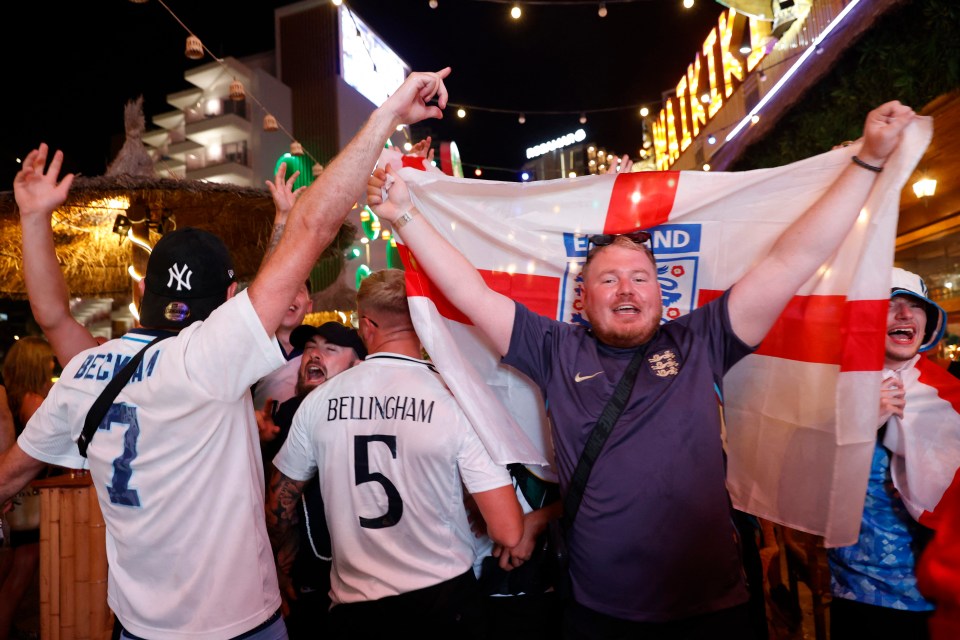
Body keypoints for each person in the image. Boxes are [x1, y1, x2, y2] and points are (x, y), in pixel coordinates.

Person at [365, 101, 916, 638]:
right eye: (608, 279)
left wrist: (868, 159)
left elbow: (792, 259)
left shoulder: (702, 338)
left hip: (714, 610)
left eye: (640, 277)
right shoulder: (554, 348)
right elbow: (466, 288)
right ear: (580, 301)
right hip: (597, 616)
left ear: (662, 294)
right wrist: (403, 216)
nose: (626, 288)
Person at [0, 67, 453, 639]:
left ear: (143, 291)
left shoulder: (87, 369)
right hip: (238, 626)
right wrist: (386, 113)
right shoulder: (211, 360)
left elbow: (53, 317)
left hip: (138, 629)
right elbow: (314, 229)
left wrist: (35, 216)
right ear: (232, 300)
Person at [267, 269, 523, 639]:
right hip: (444, 601)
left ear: (365, 324)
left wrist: (283, 563)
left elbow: (278, 505)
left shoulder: (319, 401)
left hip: (356, 609)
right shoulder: (454, 398)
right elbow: (508, 531)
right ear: (422, 321)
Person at [828, 267, 951, 638]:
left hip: (939, 597)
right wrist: (858, 424)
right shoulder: (829, 391)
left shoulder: (950, 397)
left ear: (927, 323)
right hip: (859, 592)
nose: (904, 314)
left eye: (915, 306)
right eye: (889, 304)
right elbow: (797, 487)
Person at [259, 322, 366, 638]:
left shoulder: (373, 416)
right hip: (304, 580)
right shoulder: (283, 415)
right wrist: (258, 443)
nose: (314, 355)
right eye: (309, 348)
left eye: (330, 349)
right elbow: (269, 499)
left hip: (364, 579)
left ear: (357, 365)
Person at [0, 336, 57, 637]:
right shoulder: (35, 402)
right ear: (37, 364)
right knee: (24, 566)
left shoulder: (11, 395)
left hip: (13, 493)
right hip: (27, 495)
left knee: (11, 565)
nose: (53, 363)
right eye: (47, 359)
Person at [253, 164, 312, 411]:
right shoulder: (253, 345)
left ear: (310, 306)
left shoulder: (317, 350)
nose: (290, 294)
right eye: (287, 287)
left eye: (299, 289)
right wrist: (283, 217)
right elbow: (271, 280)